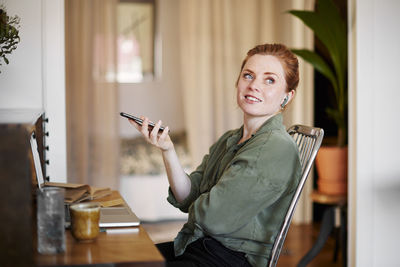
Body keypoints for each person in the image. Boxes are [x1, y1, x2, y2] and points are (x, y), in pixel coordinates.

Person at [129, 43, 302, 267]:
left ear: (287, 97)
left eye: (269, 80)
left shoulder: (274, 148)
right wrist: (167, 149)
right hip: (197, 245)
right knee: (123, 259)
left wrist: (203, 202)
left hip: (230, 258)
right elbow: (187, 197)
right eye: (248, 75)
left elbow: (213, 219)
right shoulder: (231, 138)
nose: (254, 86)